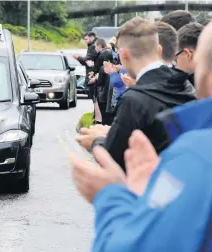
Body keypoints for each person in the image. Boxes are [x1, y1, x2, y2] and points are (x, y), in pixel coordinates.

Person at [69, 21, 212, 252]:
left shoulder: (194, 154)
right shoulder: (183, 87)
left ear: (123, 55)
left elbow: (138, 244)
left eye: (201, 67)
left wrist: (109, 196)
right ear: (158, 51)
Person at [76, 17, 196, 170]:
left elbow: (114, 160)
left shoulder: (133, 100)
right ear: (159, 50)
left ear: (124, 55)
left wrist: (96, 141)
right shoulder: (185, 84)